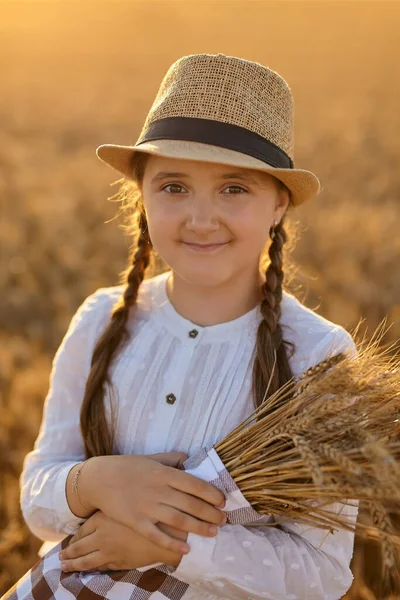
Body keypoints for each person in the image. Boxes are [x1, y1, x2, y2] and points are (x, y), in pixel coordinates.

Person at [14, 53, 358, 599]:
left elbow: (322, 571)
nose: (200, 219)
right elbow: (38, 497)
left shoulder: (319, 357)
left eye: (234, 189)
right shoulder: (101, 320)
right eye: (173, 187)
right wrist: (94, 482)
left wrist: (173, 543)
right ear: (142, 197)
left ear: (279, 205)